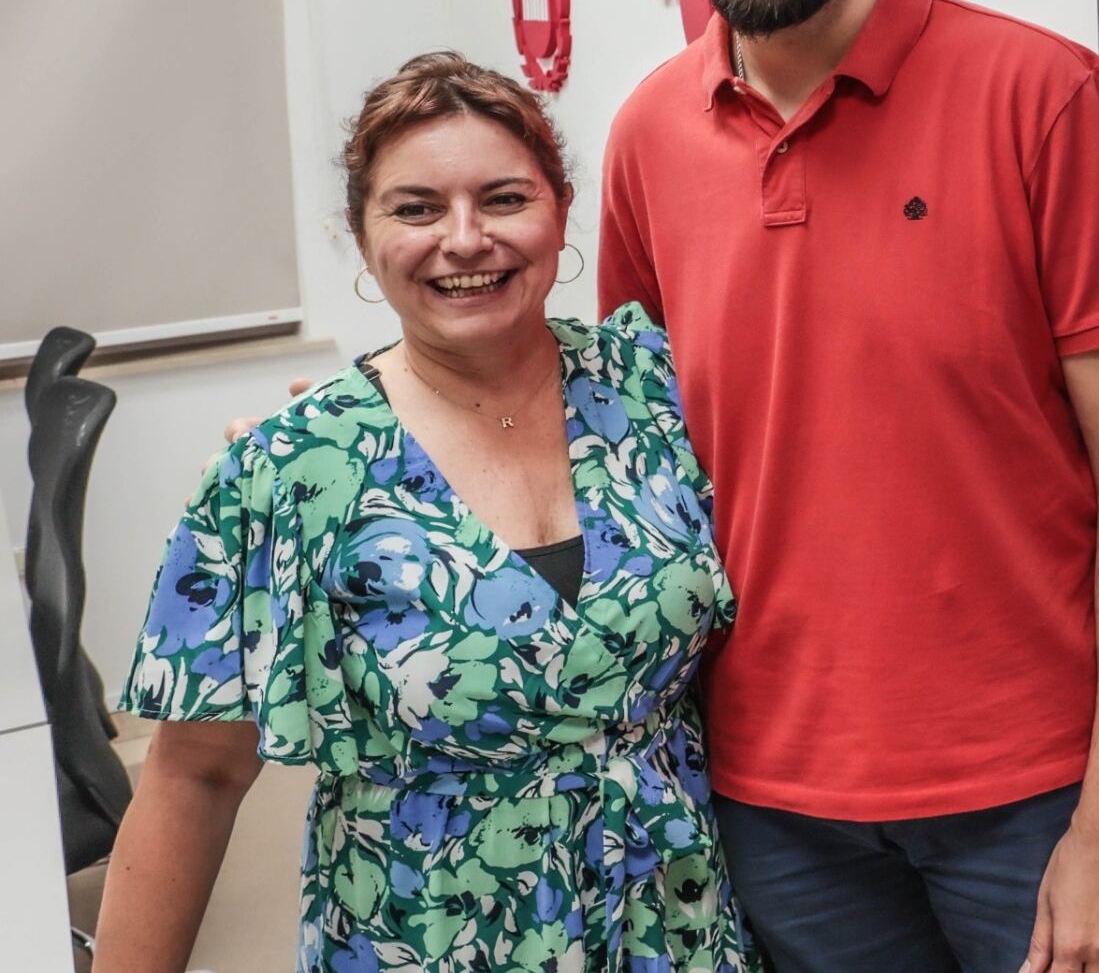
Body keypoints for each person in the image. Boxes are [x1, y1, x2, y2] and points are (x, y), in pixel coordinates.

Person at [600, 0, 1099, 973]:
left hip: (1031, 796)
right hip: (769, 798)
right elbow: (637, 455)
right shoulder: (647, 135)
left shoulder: (1042, 95)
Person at [98, 54, 758, 973]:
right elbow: (195, 777)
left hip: (672, 925)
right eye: (415, 209)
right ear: (361, 236)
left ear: (561, 209)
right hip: (432, 933)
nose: (464, 239)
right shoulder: (293, 467)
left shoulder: (656, 389)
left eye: (502, 199)